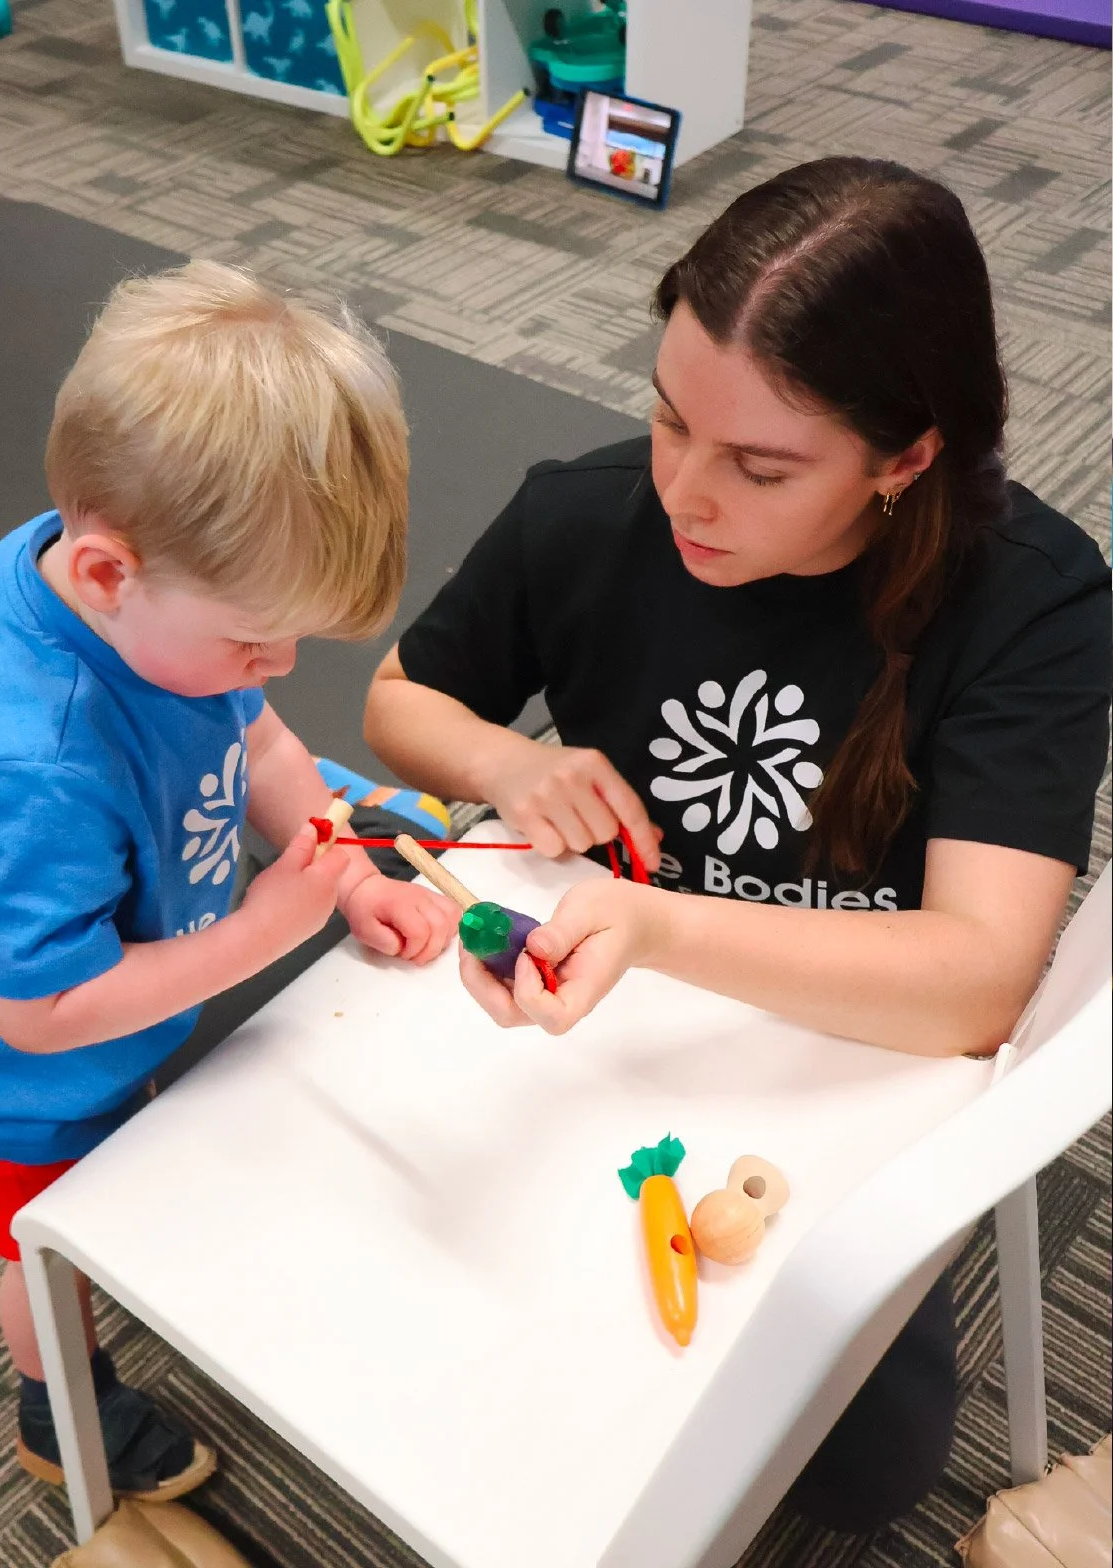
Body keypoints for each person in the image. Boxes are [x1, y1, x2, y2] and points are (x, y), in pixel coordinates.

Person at [364, 158, 1111, 1530]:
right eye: (667, 420)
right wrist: (509, 761)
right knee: (428, 1303)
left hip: (842, 1072)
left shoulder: (1032, 602)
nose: (686, 494)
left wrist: (657, 926)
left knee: (851, 1474)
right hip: (597, 1036)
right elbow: (400, 700)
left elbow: (978, 981)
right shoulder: (590, 512)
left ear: (907, 457)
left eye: (761, 466)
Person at [0, 262, 457, 1503]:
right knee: (56, 1258)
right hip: (18, 1080)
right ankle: (59, 1405)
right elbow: (39, 1008)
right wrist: (266, 924)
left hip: (127, 1004)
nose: (279, 664)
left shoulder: (147, 597)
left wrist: (347, 876)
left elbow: (255, 740)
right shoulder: (35, 762)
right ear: (104, 575)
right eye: (254, 638)